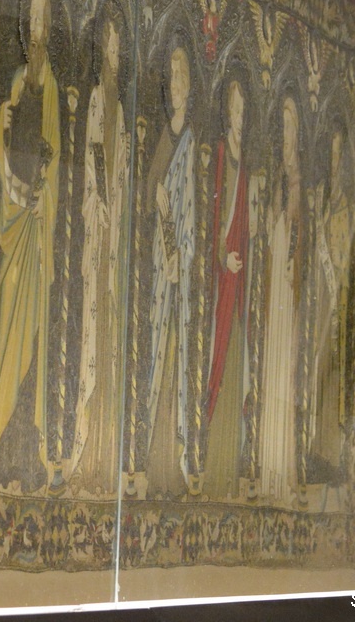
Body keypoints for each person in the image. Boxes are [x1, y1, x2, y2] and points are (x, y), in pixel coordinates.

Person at [0, 0, 60, 493]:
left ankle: (26, 452)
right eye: (30, 19)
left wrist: (42, 197)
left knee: (34, 336)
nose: (36, 29)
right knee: (8, 331)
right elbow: (3, 142)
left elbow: (56, 158)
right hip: (14, 220)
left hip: (37, 230)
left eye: (43, 19)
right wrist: (15, 190)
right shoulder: (17, 83)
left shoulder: (52, 88)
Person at [71, 14, 128, 493]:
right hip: (97, 233)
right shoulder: (94, 100)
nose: (114, 56)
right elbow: (92, 157)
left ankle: (107, 453)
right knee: (91, 337)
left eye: (118, 49)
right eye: (109, 47)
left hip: (113, 243)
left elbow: (120, 170)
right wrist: (101, 203)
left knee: (109, 339)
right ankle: (85, 446)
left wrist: (117, 200)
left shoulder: (122, 111)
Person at [145, 45, 196, 497]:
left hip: (182, 271)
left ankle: (175, 464)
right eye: (172, 76)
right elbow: (151, 187)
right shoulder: (166, 136)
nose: (176, 83)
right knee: (158, 357)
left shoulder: (192, 142)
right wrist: (156, 196)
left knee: (177, 358)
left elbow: (195, 205)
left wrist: (185, 252)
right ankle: (154, 462)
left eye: (182, 76)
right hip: (162, 268)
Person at [203, 79, 256, 500]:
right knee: (217, 358)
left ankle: (230, 465)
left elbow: (248, 223)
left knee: (237, 359)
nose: (239, 118)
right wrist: (223, 256)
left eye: (244, 112)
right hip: (223, 280)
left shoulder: (248, 166)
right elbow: (214, 213)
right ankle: (213, 464)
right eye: (234, 111)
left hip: (240, 285)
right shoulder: (222, 156)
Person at [259, 95, 303, 505]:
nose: (287, 134)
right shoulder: (276, 180)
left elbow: (298, 241)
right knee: (270, 366)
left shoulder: (298, 185)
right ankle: (267, 474)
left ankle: (282, 469)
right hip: (273, 285)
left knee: (283, 378)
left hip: (287, 290)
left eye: (292, 127)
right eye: (283, 126)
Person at [310, 128, 351, 484]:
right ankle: (316, 449)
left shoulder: (344, 208)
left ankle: (331, 453)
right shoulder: (321, 199)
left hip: (337, 304)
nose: (334, 162)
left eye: (339, 155)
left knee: (334, 376)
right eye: (331, 154)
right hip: (319, 301)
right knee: (317, 370)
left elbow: (343, 258)